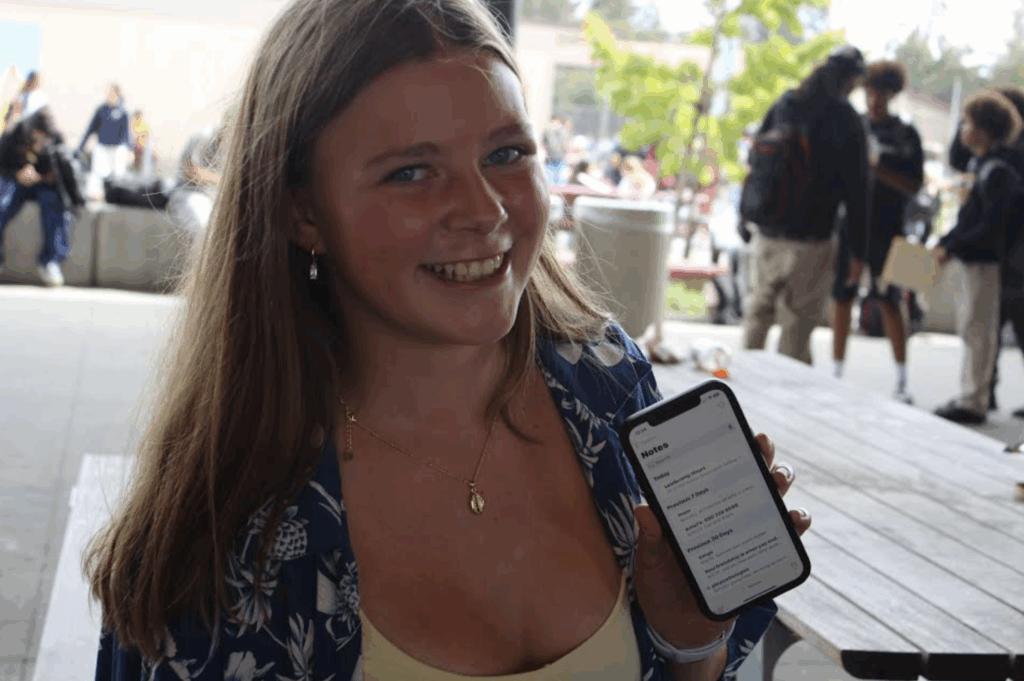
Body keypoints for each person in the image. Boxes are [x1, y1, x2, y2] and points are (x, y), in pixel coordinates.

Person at [84, 0, 813, 679]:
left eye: (507, 154)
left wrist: (692, 640)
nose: (484, 209)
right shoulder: (226, 535)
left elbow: (694, 660)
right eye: (411, 171)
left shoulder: (606, 380)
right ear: (302, 211)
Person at [742, 46, 870, 365]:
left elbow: (756, 160)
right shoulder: (847, 119)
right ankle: (787, 388)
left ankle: (743, 381)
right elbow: (858, 192)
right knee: (797, 323)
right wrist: (858, 252)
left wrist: (745, 215)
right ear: (852, 80)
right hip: (814, 237)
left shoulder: (786, 103)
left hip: (769, 232)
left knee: (759, 311)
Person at [831, 61, 924, 403]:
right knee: (843, 296)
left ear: (893, 95)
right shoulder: (854, 126)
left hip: (889, 229)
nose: (875, 101)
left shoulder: (905, 134)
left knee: (889, 300)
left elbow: (913, 185)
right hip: (851, 225)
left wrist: (877, 167)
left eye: (881, 94)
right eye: (869, 93)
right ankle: (836, 373)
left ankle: (901, 380)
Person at [933, 90, 1023, 425]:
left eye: (968, 123)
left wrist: (953, 244)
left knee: (979, 330)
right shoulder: (983, 165)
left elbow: (990, 225)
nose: (963, 129)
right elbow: (972, 219)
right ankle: (972, 394)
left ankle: (974, 401)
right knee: (974, 328)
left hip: (988, 262)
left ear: (983, 131)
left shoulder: (998, 170)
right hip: (977, 260)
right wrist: (948, 242)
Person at [0, 107, 76, 286]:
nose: (40, 140)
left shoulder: (56, 139)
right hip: (17, 182)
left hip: (44, 185)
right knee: (3, 204)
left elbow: (62, 171)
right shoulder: (15, 134)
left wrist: (41, 177)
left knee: (54, 204)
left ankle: (50, 261)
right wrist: (17, 174)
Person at [166, 123, 223, 239]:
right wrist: (222, 180)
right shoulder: (203, 137)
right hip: (189, 192)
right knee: (204, 229)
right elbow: (191, 172)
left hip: (210, 196)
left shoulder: (230, 146)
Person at [78, 84, 132, 195]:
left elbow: (127, 132)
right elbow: (91, 128)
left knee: (118, 173)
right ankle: (94, 194)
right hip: (102, 146)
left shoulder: (123, 111)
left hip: (118, 147)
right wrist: (81, 146)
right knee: (99, 171)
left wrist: (130, 149)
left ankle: (118, 195)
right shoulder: (101, 110)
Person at [541, 116, 568, 185]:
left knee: (560, 180)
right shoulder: (547, 132)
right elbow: (543, 143)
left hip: (560, 159)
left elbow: (565, 144)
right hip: (550, 159)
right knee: (550, 180)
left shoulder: (562, 131)